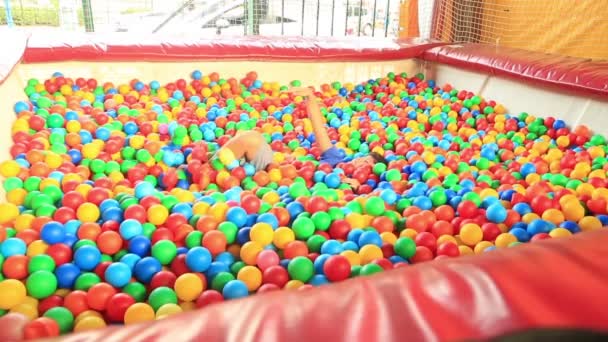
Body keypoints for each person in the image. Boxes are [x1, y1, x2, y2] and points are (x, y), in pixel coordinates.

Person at [209, 86, 387, 189]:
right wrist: (310, 96)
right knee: (252, 138)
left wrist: (351, 187)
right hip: (272, 173)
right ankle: (213, 167)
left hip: (285, 194)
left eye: (366, 166)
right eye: (362, 160)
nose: (359, 165)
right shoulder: (336, 159)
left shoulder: (357, 189)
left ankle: (223, 175)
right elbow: (319, 130)